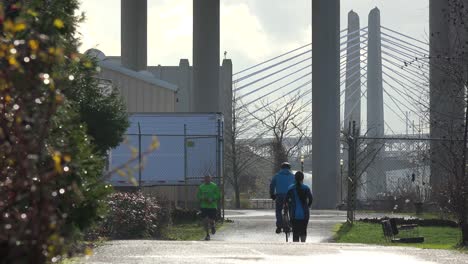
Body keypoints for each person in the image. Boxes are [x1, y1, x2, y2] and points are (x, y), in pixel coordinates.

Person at [286, 171, 313, 242]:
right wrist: (308, 206)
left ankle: (296, 246)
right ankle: (303, 243)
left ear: (294, 178)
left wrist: (289, 204)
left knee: (295, 231)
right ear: (302, 178)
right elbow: (310, 199)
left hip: (293, 213)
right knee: (303, 230)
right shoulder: (306, 188)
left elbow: (286, 200)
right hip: (305, 213)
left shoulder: (290, 188)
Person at [270, 162, 295, 234]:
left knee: (278, 210)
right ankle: (292, 224)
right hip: (290, 196)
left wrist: (272, 194)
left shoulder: (276, 176)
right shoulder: (293, 176)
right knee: (291, 209)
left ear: (281, 168)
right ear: (289, 168)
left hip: (280, 196)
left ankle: (279, 226)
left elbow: (272, 185)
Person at [197, 175, 221, 241]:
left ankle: (212, 225)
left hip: (212, 206)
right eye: (206, 178)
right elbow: (198, 196)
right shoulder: (201, 187)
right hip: (204, 206)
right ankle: (207, 235)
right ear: (204, 179)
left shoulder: (214, 186)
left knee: (211, 220)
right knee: (205, 221)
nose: (207, 180)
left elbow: (218, 195)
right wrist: (204, 198)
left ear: (211, 179)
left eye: (208, 178)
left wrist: (212, 199)